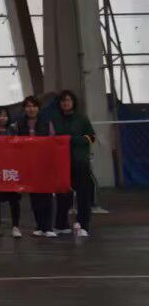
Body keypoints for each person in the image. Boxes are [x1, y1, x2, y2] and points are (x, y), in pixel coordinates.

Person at [50, 90, 96, 237]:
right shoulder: (54, 119)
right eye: (63, 100)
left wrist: (73, 140)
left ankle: (83, 225)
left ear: (73, 102)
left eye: (68, 100)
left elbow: (91, 137)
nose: (66, 103)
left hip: (80, 163)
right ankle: (61, 224)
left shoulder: (82, 118)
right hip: (62, 164)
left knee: (83, 195)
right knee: (62, 194)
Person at [15, 96, 57, 238]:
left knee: (47, 195)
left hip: (44, 163)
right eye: (28, 106)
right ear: (24, 109)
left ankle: (48, 227)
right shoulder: (20, 124)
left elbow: (53, 141)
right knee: (34, 195)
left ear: (38, 108)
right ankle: (39, 226)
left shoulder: (47, 122)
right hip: (29, 164)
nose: (31, 109)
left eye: (33, 106)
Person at [0, 107, 22, 238]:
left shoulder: (13, 130)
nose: (2, 118)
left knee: (14, 200)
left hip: (11, 169)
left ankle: (16, 226)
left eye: (4, 115)